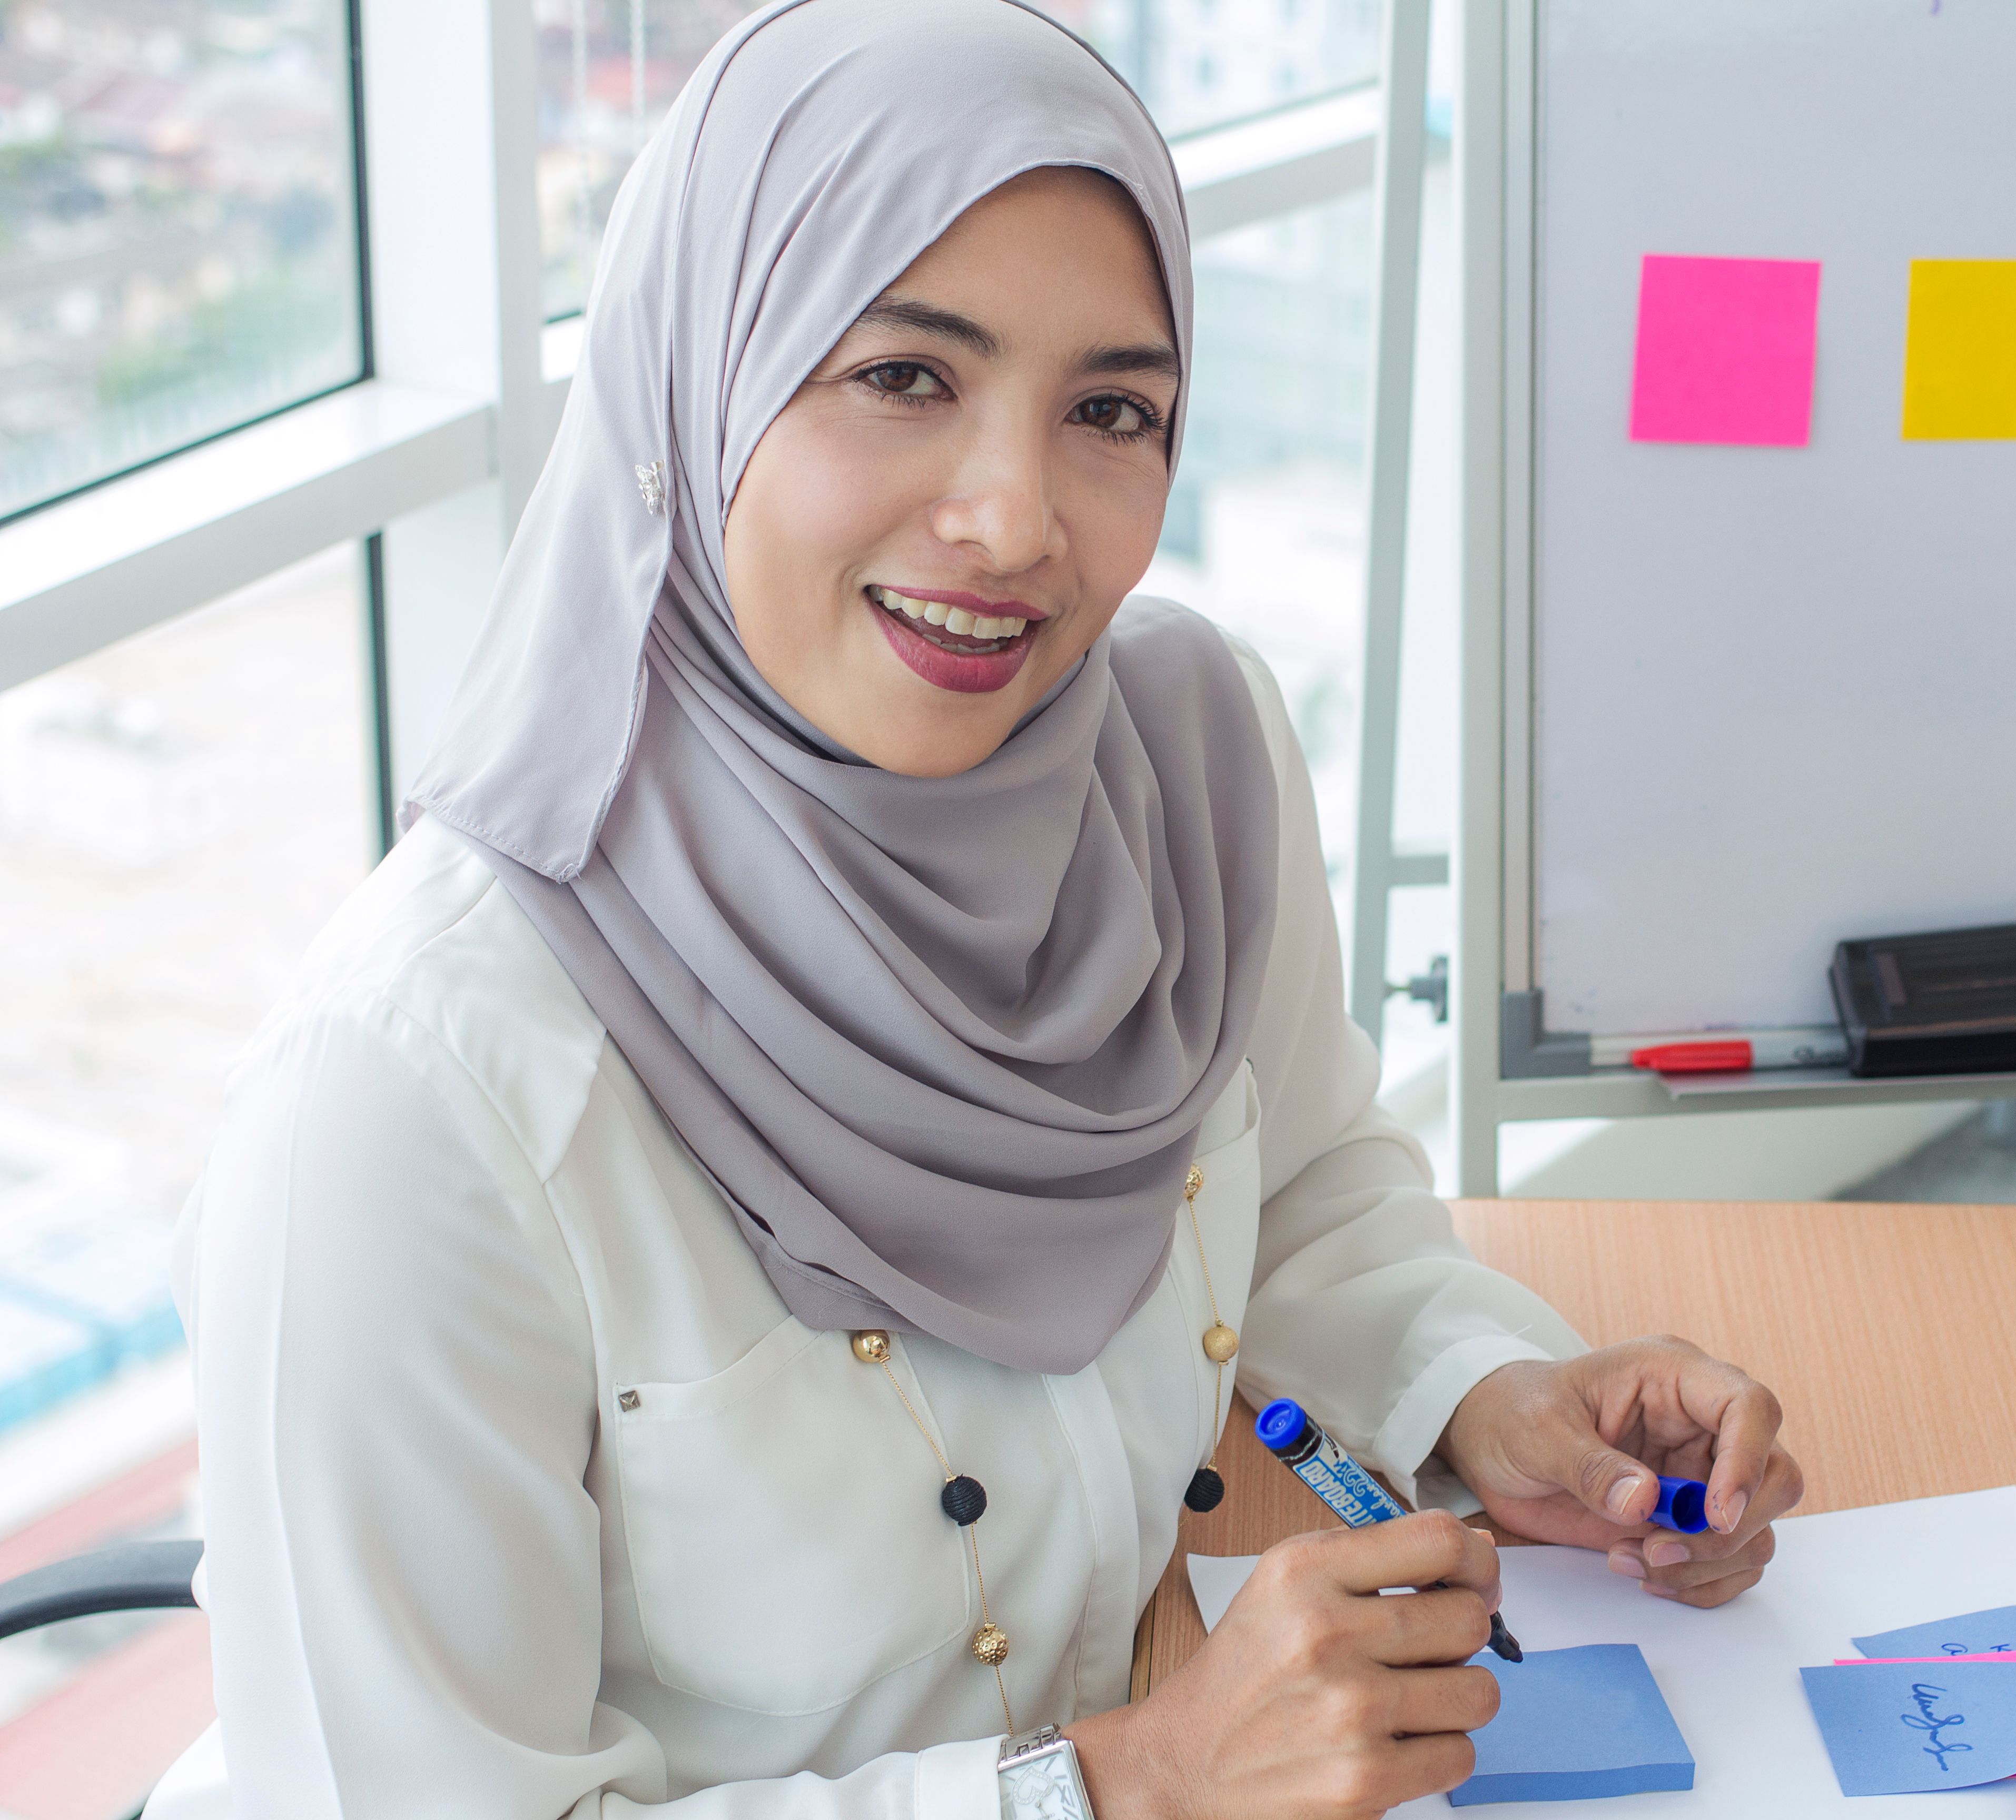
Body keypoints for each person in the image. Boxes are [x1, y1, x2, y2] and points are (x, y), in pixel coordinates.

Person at [145, 3, 1801, 1815]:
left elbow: (1306, 1191)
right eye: (903, 376)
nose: (1016, 520)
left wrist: (1486, 1394)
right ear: (699, 384)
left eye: (1110, 411)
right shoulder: (407, 1102)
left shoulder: (1184, 754)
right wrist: (1122, 1786)